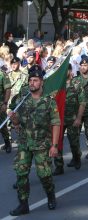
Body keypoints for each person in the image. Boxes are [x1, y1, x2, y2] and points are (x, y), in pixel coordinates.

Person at [9, 65, 60, 216]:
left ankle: (51, 196)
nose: (32, 83)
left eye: (35, 80)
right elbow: (18, 122)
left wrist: (55, 146)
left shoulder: (49, 101)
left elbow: (56, 123)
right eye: (30, 80)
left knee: (44, 174)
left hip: (42, 144)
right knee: (21, 173)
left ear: (41, 82)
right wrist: (14, 119)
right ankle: (23, 204)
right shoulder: (23, 97)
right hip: (25, 143)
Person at [53, 64, 86, 174]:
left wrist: (78, 118)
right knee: (57, 142)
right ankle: (59, 165)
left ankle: (77, 158)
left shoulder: (76, 84)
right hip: (58, 119)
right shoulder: (56, 85)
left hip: (72, 118)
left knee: (74, 142)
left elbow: (82, 103)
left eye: (65, 70)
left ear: (70, 71)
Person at [0, 66, 12, 153]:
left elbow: (8, 89)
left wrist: (5, 103)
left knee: (2, 125)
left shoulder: (2, 74)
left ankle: (7, 143)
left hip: (0, 104)